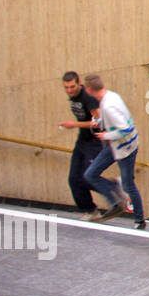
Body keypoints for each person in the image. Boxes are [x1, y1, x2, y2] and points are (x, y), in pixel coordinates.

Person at [81, 74, 145, 229]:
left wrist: (106, 135)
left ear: (89, 89)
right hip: (119, 145)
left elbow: (125, 129)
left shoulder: (108, 105)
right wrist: (99, 122)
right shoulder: (110, 97)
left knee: (128, 184)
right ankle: (115, 196)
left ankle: (139, 220)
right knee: (90, 174)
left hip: (124, 147)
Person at [57, 72, 102, 220]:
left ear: (78, 83)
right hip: (82, 141)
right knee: (73, 179)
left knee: (87, 177)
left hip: (94, 142)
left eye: (72, 87)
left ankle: (115, 187)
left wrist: (73, 124)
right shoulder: (73, 97)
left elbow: (98, 121)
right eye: (66, 88)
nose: (69, 90)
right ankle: (90, 210)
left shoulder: (87, 97)